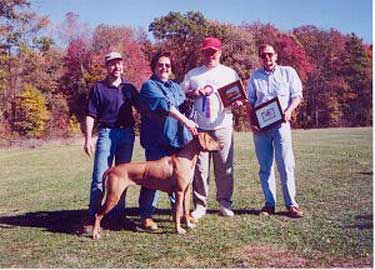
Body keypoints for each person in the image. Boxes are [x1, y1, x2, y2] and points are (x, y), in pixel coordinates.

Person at [137, 51, 198, 231]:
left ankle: (179, 214)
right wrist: (186, 121)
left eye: (168, 66)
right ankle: (146, 216)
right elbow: (166, 106)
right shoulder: (149, 86)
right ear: (154, 67)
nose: (164, 68)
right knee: (152, 179)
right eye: (160, 65)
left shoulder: (175, 87)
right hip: (157, 141)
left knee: (179, 180)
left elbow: (182, 104)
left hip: (178, 141)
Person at [181, 37, 240, 219]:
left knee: (224, 167)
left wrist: (237, 102)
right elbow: (181, 93)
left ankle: (224, 203)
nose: (210, 55)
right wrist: (193, 92)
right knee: (200, 169)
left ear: (220, 52)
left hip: (223, 126)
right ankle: (200, 205)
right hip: (200, 128)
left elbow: (238, 95)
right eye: (206, 52)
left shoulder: (230, 73)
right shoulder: (193, 74)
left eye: (213, 52)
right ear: (202, 53)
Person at [82, 51, 138, 232]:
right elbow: (90, 114)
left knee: (124, 177)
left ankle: (118, 216)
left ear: (123, 65)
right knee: (99, 177)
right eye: (112, 64)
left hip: (127, 135)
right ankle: (92, 219)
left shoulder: (129, 88)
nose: (116, 67)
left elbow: (144, 108)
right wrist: (88, 138)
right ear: (107, 67)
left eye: (119, 63)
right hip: (106, 134)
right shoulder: (98, 88)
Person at [247, 44, 304, 218]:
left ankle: (291, 205)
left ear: (276, 55)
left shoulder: (288, 72)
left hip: (281, 126)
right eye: (263, 55)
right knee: (265, 167)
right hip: (261, 129)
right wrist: (251, 123)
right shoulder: (254, 77)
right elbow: (250, 102)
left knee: (286, 165)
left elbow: (297, 96)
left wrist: (288, 111)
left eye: (270, 54)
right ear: (260, 58)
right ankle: (269, 204)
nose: (267, 58)